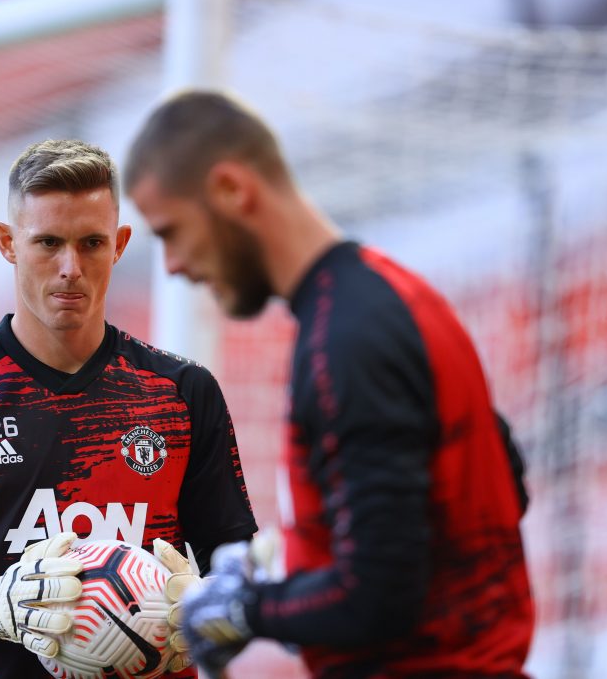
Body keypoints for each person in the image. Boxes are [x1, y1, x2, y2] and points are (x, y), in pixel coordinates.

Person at [124, 90, 535, 678]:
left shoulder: (345, 341)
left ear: (231, 191)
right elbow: (500, 482)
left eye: (169, 232)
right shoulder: (400, 296)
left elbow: (378, 595)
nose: (171, 265)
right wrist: (288, 567)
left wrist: (246, 609)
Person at [0, 138, 258, 679]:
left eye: (92, 243)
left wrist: (201, 610)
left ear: (121, 244)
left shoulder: (181, 391)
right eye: (48, 242)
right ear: (8, 243)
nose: (70, 267)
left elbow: (241, 569)